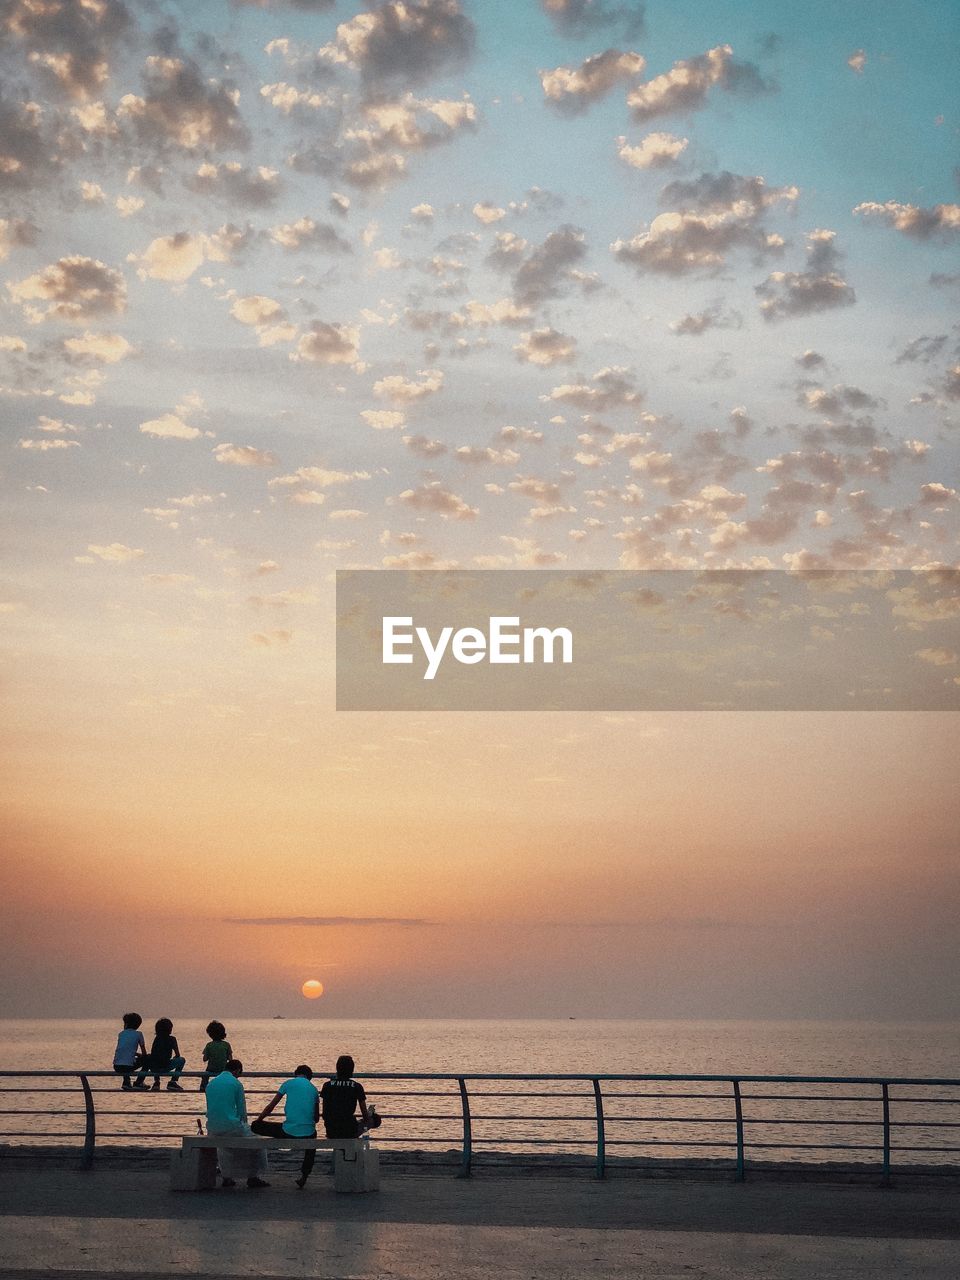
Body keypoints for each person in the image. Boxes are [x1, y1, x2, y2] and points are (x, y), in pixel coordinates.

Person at [204, 1059, 269, 1190]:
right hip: (231, 1126)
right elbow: (242, 1111)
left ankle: (227, 1177)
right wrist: (245, 1126)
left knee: (223, 1147)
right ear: (237, 1070)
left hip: (212, 1127)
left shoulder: (211, 1083)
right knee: (257, 1143)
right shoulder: (236, 1084)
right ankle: (253, 1176)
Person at [252, 1064, 319, 1189]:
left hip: (288, 1131)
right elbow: (316, 1118)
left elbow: (271, 1106)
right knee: (312, 1137)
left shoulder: (288, 1083)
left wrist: (259, 1120)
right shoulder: (314, 1089)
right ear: (309, 1077)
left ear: (296, 1074)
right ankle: (304, 1175)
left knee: (255, 1126)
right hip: (308, 1132)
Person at [320, 1054, 378, 1139]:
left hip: (331, 1129)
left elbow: (325, 1112)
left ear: (337, 1069)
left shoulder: (327, 1085)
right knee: (376, 1119)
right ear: (352, 1069)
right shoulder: (357, 1086)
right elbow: (365, 1115)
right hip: (349, 1129)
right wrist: (370, 1115)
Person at [133, 1017, 186, 1091]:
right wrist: (174, 1058)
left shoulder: (157, 1038)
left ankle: (154, 1082)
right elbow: (177, 1055)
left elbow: (154, 1055)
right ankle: (173, 1081)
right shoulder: (172, 1039)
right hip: (165, 1066)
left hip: (154, 1068)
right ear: (169, 1029)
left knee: (150, 1058)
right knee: (182, 1060)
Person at [112, 1013, 146, 1090]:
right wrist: (140, 1055)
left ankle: (126, 1081)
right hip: (128, 1067)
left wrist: (135, 1054)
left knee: (125, 1061)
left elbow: (124, 1050)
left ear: (126, 1024)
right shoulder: (139, 1034)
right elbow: (144, 1054)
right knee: (147, 1059)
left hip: (117, 1066)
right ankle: (139, 1082)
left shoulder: (121, 1034)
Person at [199, 1021, 232, 1093]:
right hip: (223, 1069)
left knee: (205, 1075)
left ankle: (203, 1086)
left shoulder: (209, 1045)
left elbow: (205, 1059)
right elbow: (230, 1059)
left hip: (211, 1068)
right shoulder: (226, 1045)